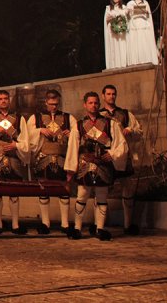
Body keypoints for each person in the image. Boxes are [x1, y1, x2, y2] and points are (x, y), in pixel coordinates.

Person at [66, 92, 128, 241]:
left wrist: (112, 154)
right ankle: (77, 228)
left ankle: (100, 228)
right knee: (82, 196)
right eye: (90, 103)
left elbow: (122, 144)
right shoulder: (79, 125)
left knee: (102, 197)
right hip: (84, 164)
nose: (93, 106)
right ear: (85, 105)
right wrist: (71, 169)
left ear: (99, 105)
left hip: (103, 164)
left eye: (95, 103)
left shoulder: (110, 123)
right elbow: (73, 147)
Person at [27, 89, 76, 234]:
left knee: (64, 190)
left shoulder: (68, 118)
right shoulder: (36, 118)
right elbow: (26, 134)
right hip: (43, 158)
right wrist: (39, 131)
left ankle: (65, 224)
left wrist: (71, 133)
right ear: (46, 102)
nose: (53, 107)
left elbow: (78, 133)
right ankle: (45, 223)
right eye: (51, 104)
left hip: (62, 158)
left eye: (56, 104)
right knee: (44, 189)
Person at [100, 84, 143, 235]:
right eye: (109, 94)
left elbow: (139, 131)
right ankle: (100, 225)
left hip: (123, 156)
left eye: (113, 94)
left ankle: (127, 224)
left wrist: (130, 129)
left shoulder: (125, 114)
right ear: (103, 96)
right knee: (102, 189)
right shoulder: (98, 115)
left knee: (127, 188)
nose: (111, 96)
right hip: (106, 157)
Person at [0, 90, 29, 235]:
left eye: (5, 98)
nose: (3, 101)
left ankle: (15, 224)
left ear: (9, 101)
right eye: (0, 99)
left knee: (14, 192)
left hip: (14, 158)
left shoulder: (18, 118)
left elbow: (25, 139)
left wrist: (16, 145)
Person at [126, 0, 159, 66]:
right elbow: (127, 16)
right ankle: (136, 60)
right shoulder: (130, 3)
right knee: (136, 41)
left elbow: (148, 14)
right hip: (134, 24)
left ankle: (146, 58)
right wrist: (127, 12)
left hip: (143, 23)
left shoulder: (145, 2)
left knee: (144, 40)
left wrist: (146, 12)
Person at [104, 0, 129, 69]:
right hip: (113, 29)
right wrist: (112, 18)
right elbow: (106, 20)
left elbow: (126, 18)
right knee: (114, 46)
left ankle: (123, 62)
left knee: (122, 45)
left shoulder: (124, 7)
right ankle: (115, 63)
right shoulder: (109, 8)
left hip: (121, 30)